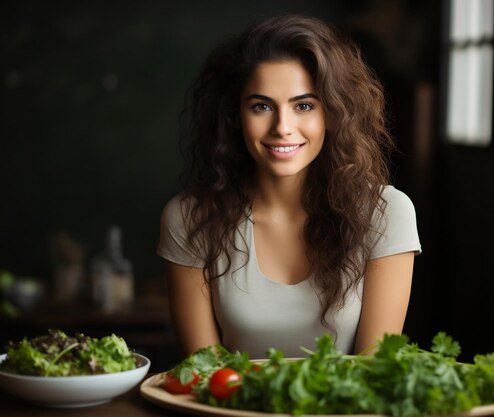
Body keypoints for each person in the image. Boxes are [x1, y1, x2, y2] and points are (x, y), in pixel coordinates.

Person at [157, 14, 421, 359]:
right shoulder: (189, 219)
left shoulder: (386, 213)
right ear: (235, 115)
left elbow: (373, 372)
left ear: (333, 112)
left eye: (304, 105)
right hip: (231, 413)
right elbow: (204, 373)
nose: (283, 127)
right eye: (262, 106)